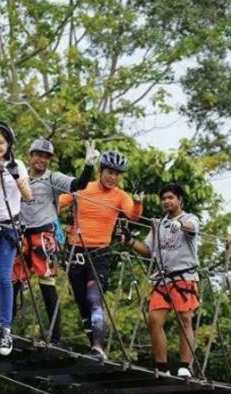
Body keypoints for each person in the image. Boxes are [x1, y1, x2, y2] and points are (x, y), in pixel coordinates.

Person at [12, 138, 97, 344]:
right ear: (30, 156)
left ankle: (55, 338)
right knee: (13, 281)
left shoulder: (53, 178)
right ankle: (5, 327)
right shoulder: (18, 176)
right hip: (21, 234)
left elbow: (78, 185)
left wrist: (88, 166)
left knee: (46, 284)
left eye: (46, 156)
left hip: (44, 233)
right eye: (38, 155)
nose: (42, 160)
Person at [58, 150, 142, 360]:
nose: (113, 177)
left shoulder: (121, 196)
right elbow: (58, 203)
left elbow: (133, 215)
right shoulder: (83, 188)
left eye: (117, 174)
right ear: (100, 171)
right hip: (75, 251)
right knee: (82, 303)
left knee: (94, 297)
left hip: (100, 253)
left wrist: (139, 202)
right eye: (110, 172)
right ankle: (92, 347)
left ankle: (98, 347)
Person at [122, 183, 200, 377]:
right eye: (164, 198)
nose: (167, 201)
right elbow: (149, 251)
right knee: (154, 320)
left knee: (185, 319)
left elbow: (192, 229)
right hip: (163, 279)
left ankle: (184, 365)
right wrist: (129, 241)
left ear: (180, 200)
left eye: (171, 197)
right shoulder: (158, 225)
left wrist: (180, 224)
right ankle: (162, 366)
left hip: (184, 277)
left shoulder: (189, 218)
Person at [0, 121, 32, 356]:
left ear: (8, 144)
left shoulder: (17, 164)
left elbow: (28, 196)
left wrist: (16, 177)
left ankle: (6, 327)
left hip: (9, 228)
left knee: (3, 276)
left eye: (1, 142)